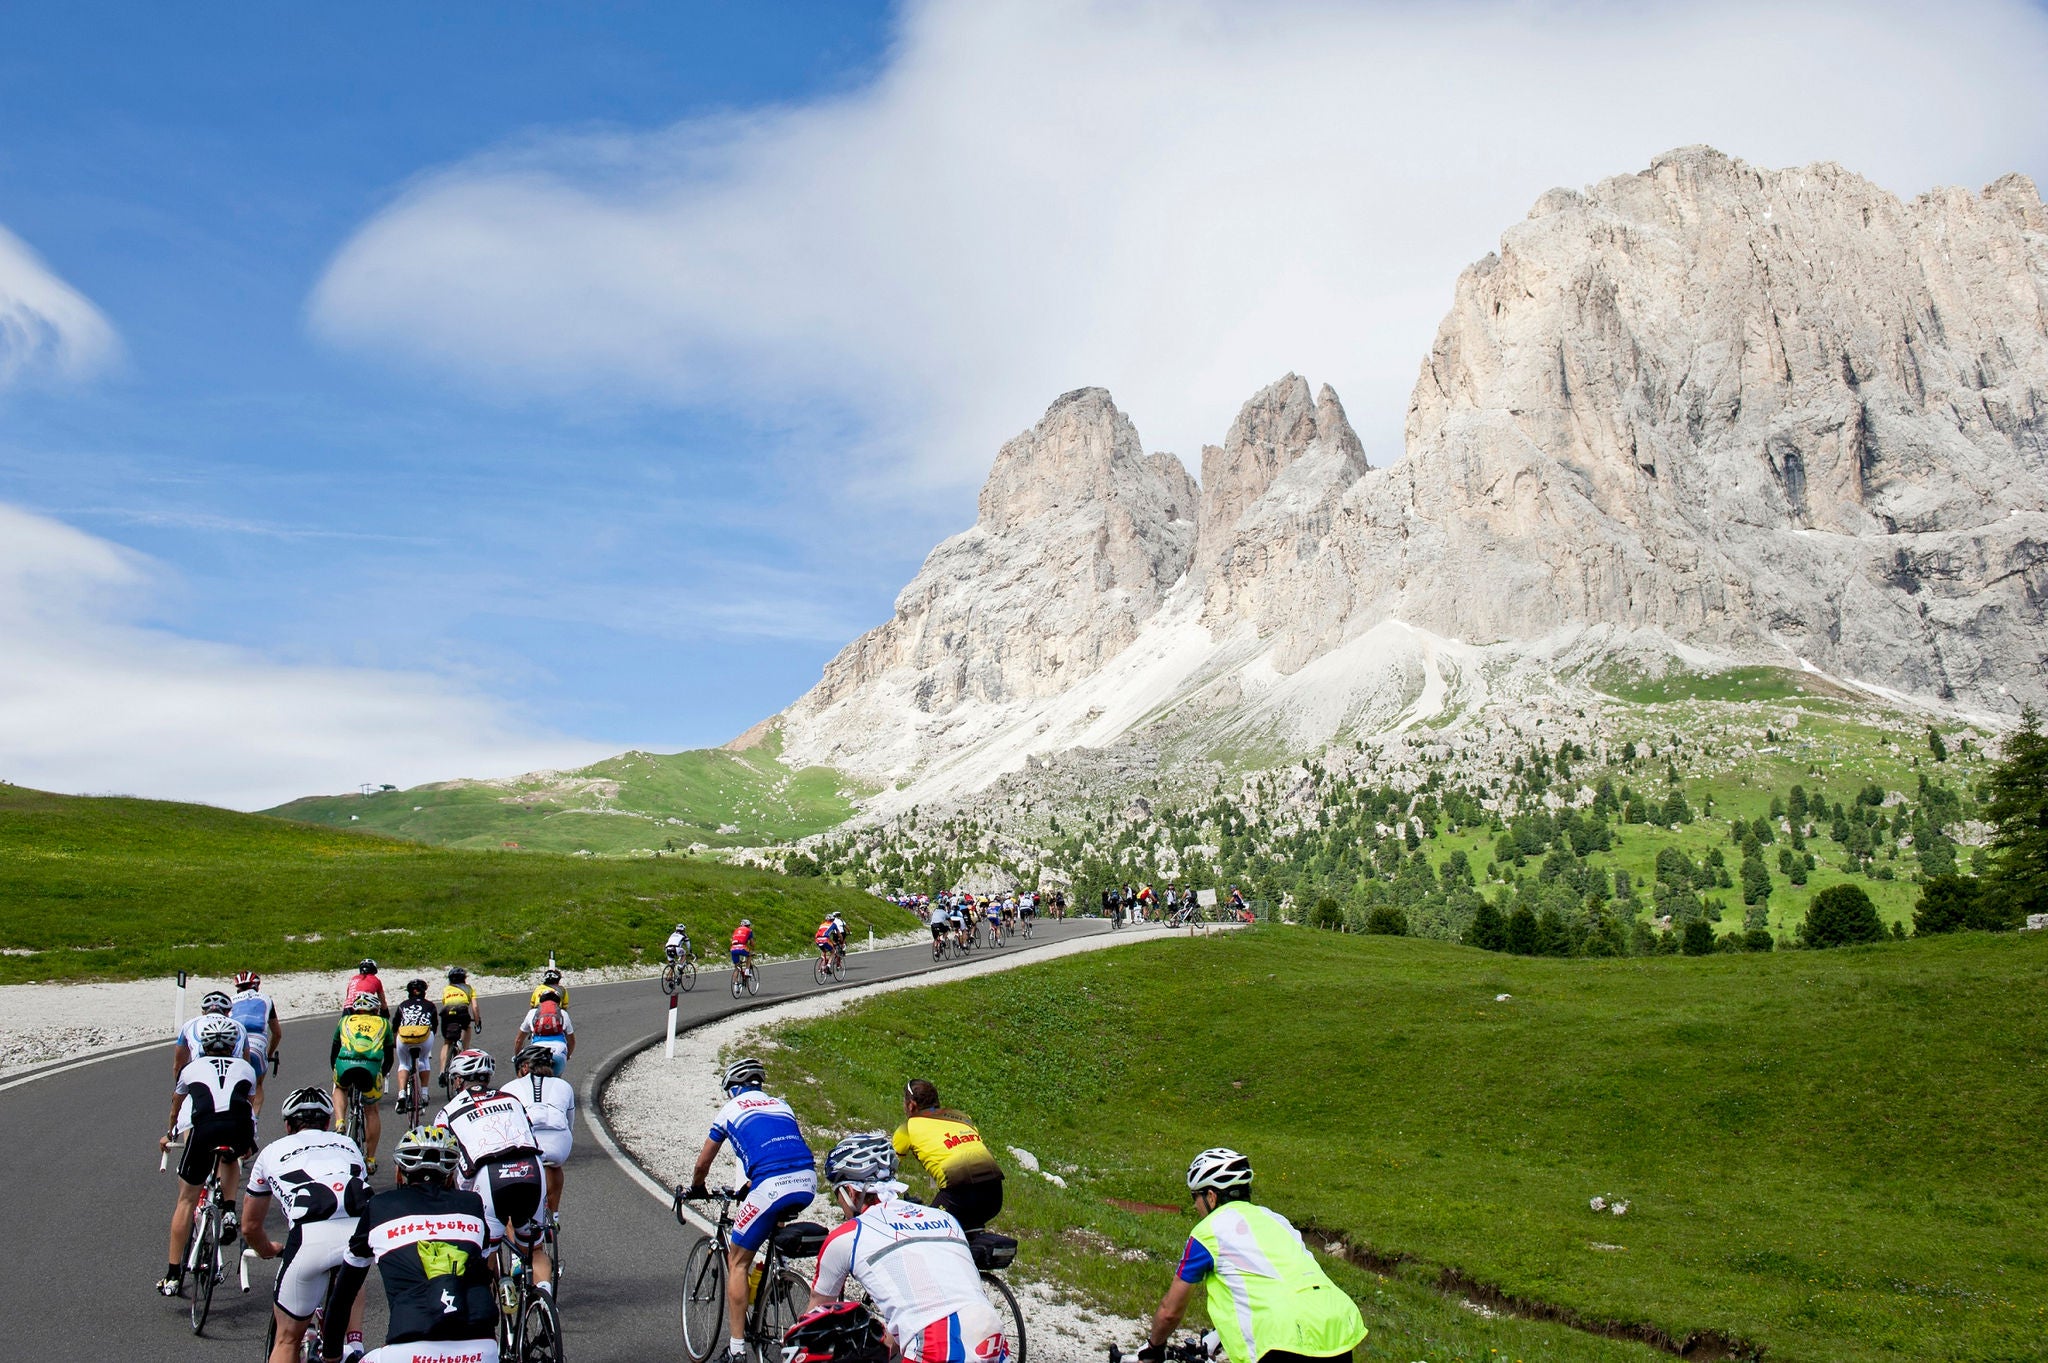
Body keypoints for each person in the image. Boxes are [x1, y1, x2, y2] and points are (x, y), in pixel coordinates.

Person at [1142, 1149, 1367, 1363]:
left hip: (1282, 1338)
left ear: (1210, 1196)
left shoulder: (1207, 1233)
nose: (1195, 1205)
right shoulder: (1276, 1220)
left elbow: (1170, 1312)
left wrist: (1154, 1348)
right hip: (1337, 1325)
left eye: (1195, 1197)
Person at [808, 1133, 1009, 1363]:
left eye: (838, 1195)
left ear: (851, 1192)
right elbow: (919, 1303)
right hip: (990, 1332)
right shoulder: (944, 1218)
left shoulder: (847, 1236)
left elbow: (815, 1320)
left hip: (938, 1341)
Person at [684, 1057, 818, 1363]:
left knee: (738, 1261)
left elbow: (703, 1163)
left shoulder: (730, 1110)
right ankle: (777, 1275)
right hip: (807, 1181)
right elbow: (777, 1149)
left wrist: (697, 1187)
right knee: (772, 1223)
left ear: (732, 1088)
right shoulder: (782, 1105)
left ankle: (736, 1349)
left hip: (771, 1185)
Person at [325, 1125, 497, 1363]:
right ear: (450, 1176)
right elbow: (486, 1275)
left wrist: (331, 1354)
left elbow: (343, 1295)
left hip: (409, 1349)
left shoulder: (379, 1207)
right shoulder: (472, 1204)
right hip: (481, 1349)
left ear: (399, 1173)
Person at [240, 1086, 372, 1363]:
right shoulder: (348, 1144)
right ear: (327, 1124)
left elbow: (250, 1227)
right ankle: (353, 1343)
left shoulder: (270, 1152)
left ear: (288, 1125)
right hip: (360, 1235)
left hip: (310, 1237)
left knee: (288, 1338)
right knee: (352, 1265)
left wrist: (266, 1249)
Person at [437, 1049, 554, 1296]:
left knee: (484, 1256)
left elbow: (444, 1162)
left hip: (489, 1176)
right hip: (531, 1167)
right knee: (534, 1250)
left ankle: (491, 1308)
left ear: (458, 1080)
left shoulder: (447, 1112)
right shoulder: (511, 1099)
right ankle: (545, 1302)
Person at [157, 1015, 258, 1297]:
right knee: (231, 1157)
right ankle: (227, 1209)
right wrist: (249, 1142)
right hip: (239, 1129)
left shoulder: (191, 1068)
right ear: (233, 1044)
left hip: (203, 1129)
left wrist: (170, 1134)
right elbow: (246, 1106)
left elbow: (178, 1107)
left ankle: (173, 1275)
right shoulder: (246, 1069)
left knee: (186, 1200)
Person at [891, 1079, 1004, 1231]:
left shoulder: (907, 1129)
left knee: (929, 1235)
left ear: (911, 1105)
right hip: (995, 1194)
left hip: (959, 1194)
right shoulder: (962, 1117)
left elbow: (887, 1169)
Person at [504, 1045, 576, 1214]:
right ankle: (554, 1214)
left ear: (524, 1067)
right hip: (558, 1143)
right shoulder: (564, 1085)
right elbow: (570, 1123)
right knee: (555, 1165)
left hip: (526, 1144)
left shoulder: (508, 1087)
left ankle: (520, 1217)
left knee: (514, 1169)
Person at [330, 991, 394, 1174]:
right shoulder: (383, 1023)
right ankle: (371, 1159)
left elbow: (334, 1050)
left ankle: (340, 1122)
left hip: (345, 1064)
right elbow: (389, 1055)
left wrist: (334, 1069)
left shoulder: (344, 1021)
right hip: (371, 1069)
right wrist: (383, 1072)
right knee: (372, 1111)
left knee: (340, 1087)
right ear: (375, 1010)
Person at [230, 971, 284, 1119]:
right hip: (257, 1044)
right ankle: (252, 1123)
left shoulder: (231, 999)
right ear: (257, 986)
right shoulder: (266, 999)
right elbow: (277, 1034)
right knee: (257, 1086)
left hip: (235, 1041)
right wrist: (269, 1054)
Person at [172, 990, 249, 1080]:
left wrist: (179, 1090)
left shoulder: (189, 1024)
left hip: (200, 1072)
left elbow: (178, 1065)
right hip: (233, 1073)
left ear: (203, 1012)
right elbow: (247, 1061)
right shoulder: (240, 1026)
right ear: (228, 1013)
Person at [389, 979, 439, 1117]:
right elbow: (434, 1026)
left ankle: (401, 1095)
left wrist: (394, 1042)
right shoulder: (430, 1005)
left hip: (404, 1037)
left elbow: (395, 1026)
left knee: (404, 1063)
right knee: (424, 1059)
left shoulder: (402, 1005)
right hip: (423, 1037)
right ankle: (424, 1094)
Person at [514, 991, 575, 1077]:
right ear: (557, 1003)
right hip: (558, 1051)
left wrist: (517, 1056)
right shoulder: (563, 1013)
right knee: (556, 1081)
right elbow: (572, 1041)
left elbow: (519, 1040)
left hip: (535, 1052)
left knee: (523, 1077)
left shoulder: (532, 1013)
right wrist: (567, 1056)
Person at [437, 966, 480, 1086]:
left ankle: (441, 1071)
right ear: (464, 979)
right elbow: (475, 1007)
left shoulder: (447, 989)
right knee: (467, 1028)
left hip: (447, 1012)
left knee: (447, 1042)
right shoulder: (469, 989)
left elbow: (445, 1003)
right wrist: (477, 1022)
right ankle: (464, 1052)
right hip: (462, 1011)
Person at [730, 918, 755, 983]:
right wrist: (753, 948)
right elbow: (752, 943)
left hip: (733, 948)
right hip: (742, 947)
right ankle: (747, 970)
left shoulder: (736, 930)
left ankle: (736, 985)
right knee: (749, 955)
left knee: (737, 968)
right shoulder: (749, 930)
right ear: (748, 925)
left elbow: (732, 940)